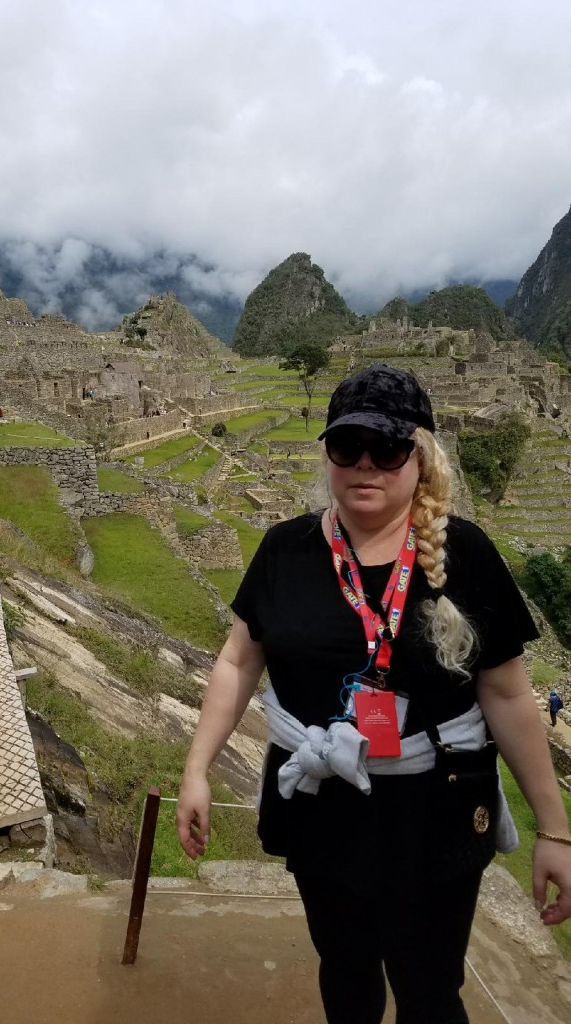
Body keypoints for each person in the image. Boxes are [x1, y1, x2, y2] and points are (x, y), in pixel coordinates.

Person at [177, 365, 571, 1024]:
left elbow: (507, 695)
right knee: (346, 971)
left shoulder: (464, 553)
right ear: (328, 454)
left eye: (388, 450)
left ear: (421, 459)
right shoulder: (285, 551)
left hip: (434, 807)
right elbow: (238, 661)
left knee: (428, 988)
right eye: (347, 447)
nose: (366, 465)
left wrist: (555, 831)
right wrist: (196, 770)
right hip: (324, 807)